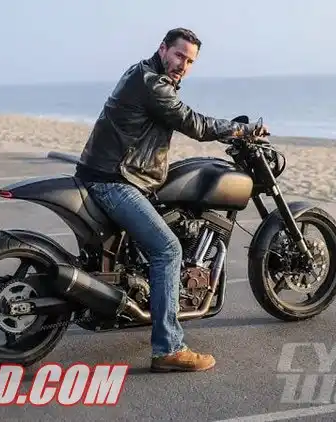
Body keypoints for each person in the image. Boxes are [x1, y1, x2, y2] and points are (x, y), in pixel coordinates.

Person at [75, 27, 268, 372]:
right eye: (179, 55)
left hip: (113, 172)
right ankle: (168, 349)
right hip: (115, 181)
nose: (183, 65)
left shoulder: (141, 73)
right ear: (163, 49)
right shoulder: (153, 84)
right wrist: (242, 129)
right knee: (167, 249)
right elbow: (194, 123)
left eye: (190, 61)